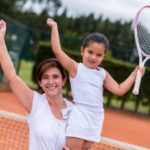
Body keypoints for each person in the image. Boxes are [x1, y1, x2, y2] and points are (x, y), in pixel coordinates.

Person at [46, 18, 145, 150]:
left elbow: (119, 90)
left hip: (96, 118)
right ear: (82, 50)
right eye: (90, 52)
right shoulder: (75, 68)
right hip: (80, 116)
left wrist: (134, 75)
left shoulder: (102, 73)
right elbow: (58, 51)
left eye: (98, 55)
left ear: (104, 56)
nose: (93, 57)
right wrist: (54, 27)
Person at [0, 20, 71, 150]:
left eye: (55, 77)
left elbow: (87, 146)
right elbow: (11, 76)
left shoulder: (75, 111)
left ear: (64, 80)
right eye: (45, 78)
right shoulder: (35, 102)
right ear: (40, 82)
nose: (50, 82)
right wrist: (1, 38)